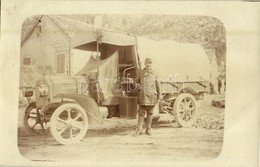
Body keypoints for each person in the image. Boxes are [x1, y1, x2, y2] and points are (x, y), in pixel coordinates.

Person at [133, 58, 162, 136]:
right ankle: (139, 130)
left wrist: (160, 96)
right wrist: (138, 87)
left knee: (150, 113)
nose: (148, 64)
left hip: (152, 96)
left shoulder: (155, 73)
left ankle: (148, 129)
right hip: (142, 95)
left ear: (151, 64)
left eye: (150, 63)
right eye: (147, 63)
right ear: (144, 64)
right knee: (141, 113)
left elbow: (158, 85)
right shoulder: (140, 72)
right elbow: (135, 82)